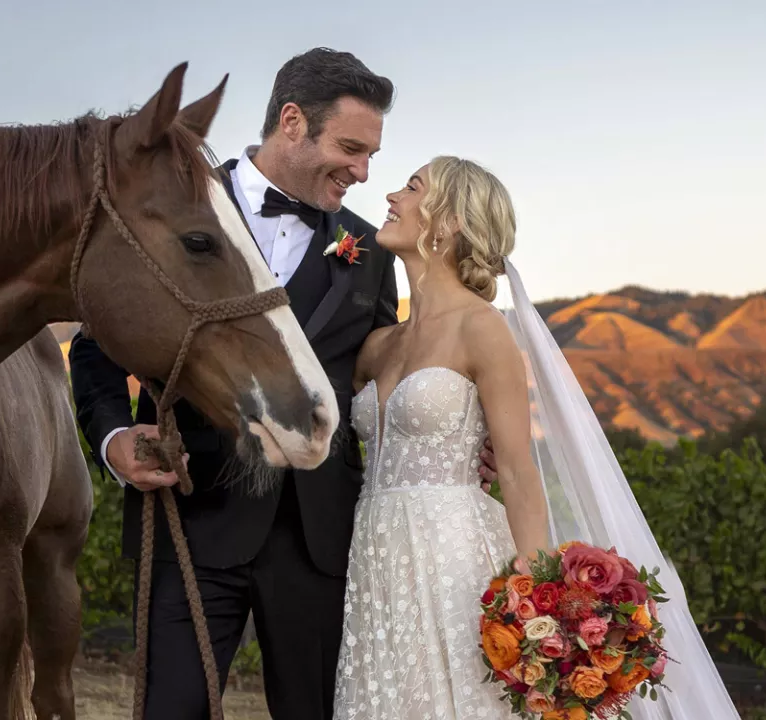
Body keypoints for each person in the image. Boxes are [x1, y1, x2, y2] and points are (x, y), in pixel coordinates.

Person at [68, 48, 493, 720]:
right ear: (292, 122)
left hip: (318, 538)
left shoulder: (366, 250)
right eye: (351, 149)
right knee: (172, 709)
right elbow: (96, 346)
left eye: (371, 157)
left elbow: (380, 376)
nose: (363, 172)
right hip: (194, 519)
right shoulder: (172, 215)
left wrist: (458, 435)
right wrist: (115, 437)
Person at [331, 157, 742, 719]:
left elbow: (520, 470)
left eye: (411, 187)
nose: (391, 196)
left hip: (454, 553)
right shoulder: (377, 345)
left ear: (448, 221)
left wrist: (534, 593)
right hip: (375, 555)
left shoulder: (484, 329)